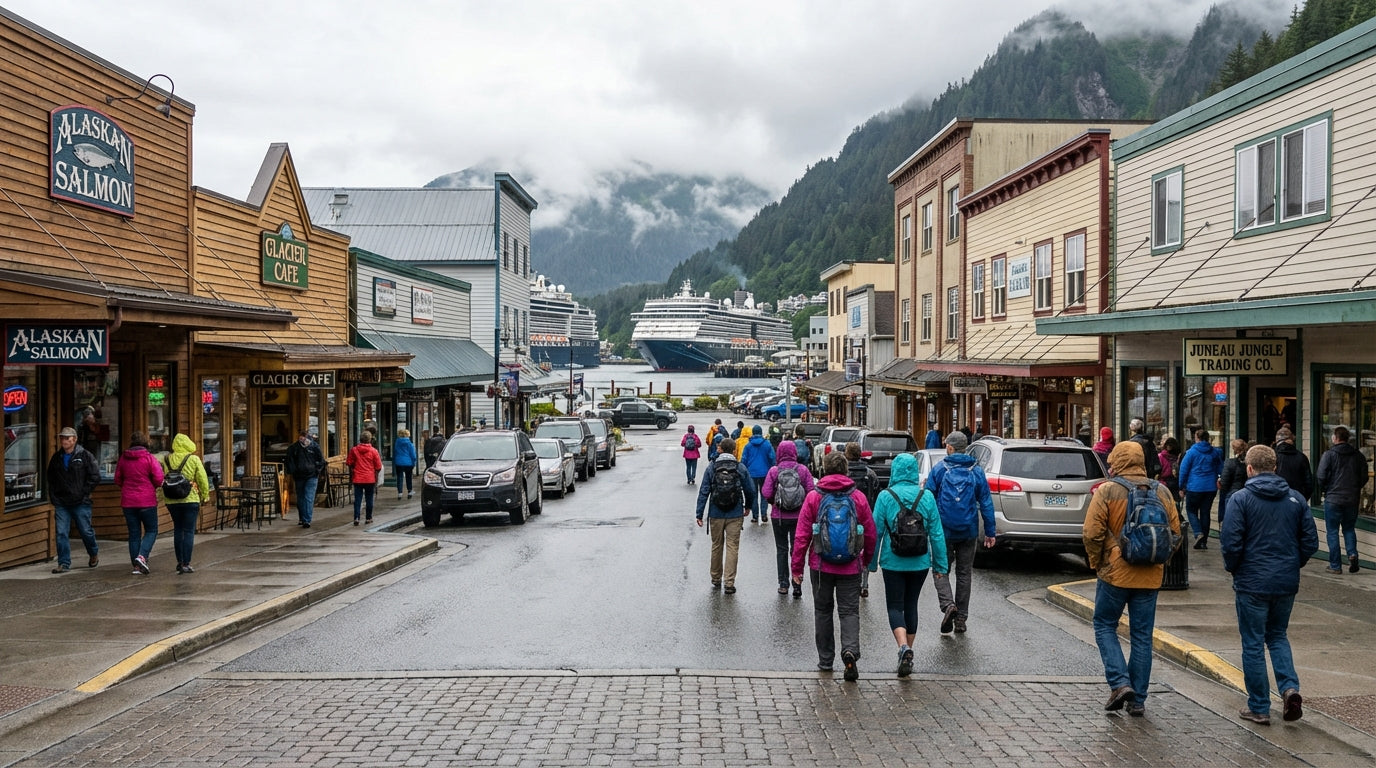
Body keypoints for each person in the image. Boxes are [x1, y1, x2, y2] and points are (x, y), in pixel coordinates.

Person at [1221, 444, 1319, 726]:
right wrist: (1292, 563)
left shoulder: (1240, 499)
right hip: (1285, 581)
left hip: (1252, 582)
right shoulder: (1296, 499)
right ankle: (1289, 688)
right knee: (1277, 636)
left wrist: (1234, 567)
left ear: (1249, 469)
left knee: (1252, 643)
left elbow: (1231, 543)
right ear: (1275, 467)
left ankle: (1259, 706)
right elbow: (1310, 542)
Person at [1083, 442, 1182, 717]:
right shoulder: (1161, 490)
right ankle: (1137, 699)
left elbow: (1092, 533)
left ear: (1117, 461)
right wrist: (1159, 560)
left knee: (1104, 625)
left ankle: (1120, 683)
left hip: (1115, 573)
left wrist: (1098, 561)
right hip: (1150, 576)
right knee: (1142, 637)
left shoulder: (1107, 490)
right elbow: (1175, 532)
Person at [791, 451, 877, 681]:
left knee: (823, 611)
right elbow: (870, 533)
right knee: (849, 611)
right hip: (851, 565)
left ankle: (826, 660)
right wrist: (866, 560)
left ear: (825, 469)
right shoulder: (857, 497)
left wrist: (796, 568)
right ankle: (850, 651)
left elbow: (801, 536)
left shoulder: (813, 497)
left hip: (820, 565)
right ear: (846, 470)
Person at [868, 452, 948, 677]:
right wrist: (940, 566)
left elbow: (876, 532)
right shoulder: (927, 497)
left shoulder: (885, 496)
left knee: (894, 606)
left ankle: (902, 647)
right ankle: (909, 650)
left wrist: (871, 563)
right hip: (920, 562)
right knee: (911, 604)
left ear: (894, 471)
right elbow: (937, 534)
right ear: (914, 471)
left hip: (893, 562)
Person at [927, 431, 996, 634]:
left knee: (941, 569)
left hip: (944, 531)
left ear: (949, 447)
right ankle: (961, 619)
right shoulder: (976, 470)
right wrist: (990, 531)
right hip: (969, 530)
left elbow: (929, 499)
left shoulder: (940, 468)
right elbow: (986, 502)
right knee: (964, 573)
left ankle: (949, 605)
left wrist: (928, 528)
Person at [695, 438, 754, 594]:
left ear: (721, 449)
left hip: (716, 513)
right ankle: (729, 582)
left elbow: (704, 491)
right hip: (735, 513)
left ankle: (715, 578)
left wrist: (699, 513)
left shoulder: (712, 467)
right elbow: (750, 489)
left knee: (716, 546)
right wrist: (747, 506)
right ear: (734, 451)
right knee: (732, 546)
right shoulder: (739, 467)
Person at [762, 440, 816, 597]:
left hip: (778, 517)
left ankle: (783, 584)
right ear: (794, 452)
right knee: (797, 549)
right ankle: (797, 583)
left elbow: (766, 493)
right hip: (799, 517)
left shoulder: (774, 471)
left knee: (781, 549)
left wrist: (776, 503)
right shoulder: (803, 470)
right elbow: (811, 491)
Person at [47, 426, 102, 574]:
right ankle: (64, 563)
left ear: (75, 439)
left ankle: (93, 553)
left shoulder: (85, 456)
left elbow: (95, 476)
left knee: (86, 531)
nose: (64, 440)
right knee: (61, 533)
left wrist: (84, 493)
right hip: (62, 502)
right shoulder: (56, 458)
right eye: (62, 437)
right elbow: (50, 478)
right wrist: (54, 497)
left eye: (67, 437)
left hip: (81, 502)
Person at [1316, 425, 1369, 575]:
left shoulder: (1329, 455)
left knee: (1332, 531)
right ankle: (1352, 554)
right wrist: (1355, 488)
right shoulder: (1358, 456)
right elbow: (1364, 477)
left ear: (1335, 438)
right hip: (1352, 498)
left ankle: (1335, 565)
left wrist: (1327, 489)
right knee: (1348, 528)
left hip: (1333, 498)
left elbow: (1321, 476)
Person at [159, 433, 211, 574]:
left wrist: (159, 496)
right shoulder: (193, 459)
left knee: (178, 530)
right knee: (188, 531)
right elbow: (202, 478)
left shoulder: (166, 459)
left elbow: (160, 478)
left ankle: (179, 561)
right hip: (190, 499)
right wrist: (205, 495)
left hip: (172, 500)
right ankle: (186, 563)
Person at [113, 431, 163, 575]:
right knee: (152, 530)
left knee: (134, 534)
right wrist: (151, 486)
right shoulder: (149, 458)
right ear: (145, 442)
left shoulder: (123, 458)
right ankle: (142, 556)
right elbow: (159, 479)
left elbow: (117, 479)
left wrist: (127, 487)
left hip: (128, 502)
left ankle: (136, 566)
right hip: (147, 501)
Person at [844, 441, 879, 597]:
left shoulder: (843, 473)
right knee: (863, 549)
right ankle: (864, 584)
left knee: (847, 545)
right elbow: (876, 490)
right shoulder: (869, 473)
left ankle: (849, 577)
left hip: (845, 517)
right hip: (865, 516)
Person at [1179, 428, 1224, 549]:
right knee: (1205, 513)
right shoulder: (1215, 452)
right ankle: (1204, 542)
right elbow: (1221, 469)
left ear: (1196, 438)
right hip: (1210, 487)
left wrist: (1181, 486)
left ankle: (1198, 532)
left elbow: (1183, 470)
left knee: (1191, 510)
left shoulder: (1191, 452)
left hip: (1194, 487)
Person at [284, 429, 325, 528]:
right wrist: (294, 471)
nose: (303, 440)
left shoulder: (314, 447)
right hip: (299, 476)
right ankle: (303, 518)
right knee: (301, 498)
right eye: (301, 438)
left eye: (304, 438)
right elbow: (289, 461)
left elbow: (321, 460)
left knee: (308, 497)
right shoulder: (294, 448)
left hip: (311, 476)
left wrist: (317, 470)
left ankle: (306, 519)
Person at [740, 425, 776, 523]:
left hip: (751, 473)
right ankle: (764, 514)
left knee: (753, 494)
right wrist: (773, 468)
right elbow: (772, 458)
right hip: (765, 473)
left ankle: (755, 516)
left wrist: (743, 472)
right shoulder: (767, 444)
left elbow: (744, 460)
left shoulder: (748, 446)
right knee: (764, 494)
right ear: (761, 432)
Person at [347, 432, 384, 525]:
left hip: (358, 478)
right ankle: (368, 517)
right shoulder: (373, 451)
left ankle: (356, 517)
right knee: (369, 499)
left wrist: (353, 470)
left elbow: (349, 462)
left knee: (358, 499)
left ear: (360, 439)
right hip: (369, 478)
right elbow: (378, 466)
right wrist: (375, 475)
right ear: (370, 440)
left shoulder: (354, 450)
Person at [1272, 428, 1314, 500]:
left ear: (1277, 441)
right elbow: (1309, 484)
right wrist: (1301, 499)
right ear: (1291, 440)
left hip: (1276, 500)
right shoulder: (1301, 457)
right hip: (1297, 499)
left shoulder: (1272, 456)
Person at [1218, 438, 1249, 526]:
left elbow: (1224, 483)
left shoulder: (1230, 463)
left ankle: (1222, 524)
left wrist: (1220, 481)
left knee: (1230, 521)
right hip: (1247, 492)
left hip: (1232, 493)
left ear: (1234, 449)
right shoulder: (1249, 462)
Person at [393, 428, 417, 499]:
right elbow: (413, 455)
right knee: (408, 477)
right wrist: (414, 462)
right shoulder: (410, 444)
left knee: (399, 478)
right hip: (408, 463)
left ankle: (400, 493)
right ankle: (409, 491)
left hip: (399, 462)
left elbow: (395, 453)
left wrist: (395, 461)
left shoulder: (397, 443)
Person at [1158, 435, 1183, 502]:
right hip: (1175, 483)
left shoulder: (1160, 456)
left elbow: (1157, 471)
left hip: (1163, 483)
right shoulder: (1178, 457)